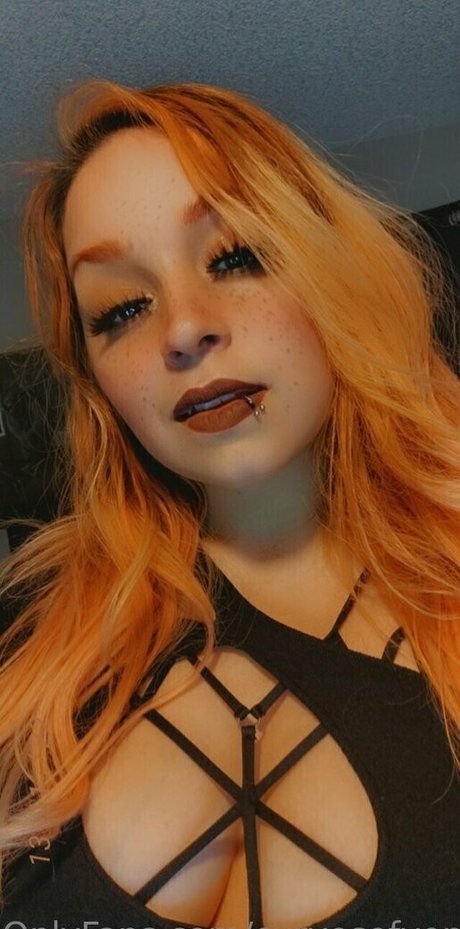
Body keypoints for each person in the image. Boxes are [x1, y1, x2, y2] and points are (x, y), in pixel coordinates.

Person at [0, 78, 459, 929]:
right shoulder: (29, 644)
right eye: (121, 309)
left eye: (236, 257)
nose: (183, 329)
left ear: (333, 272)